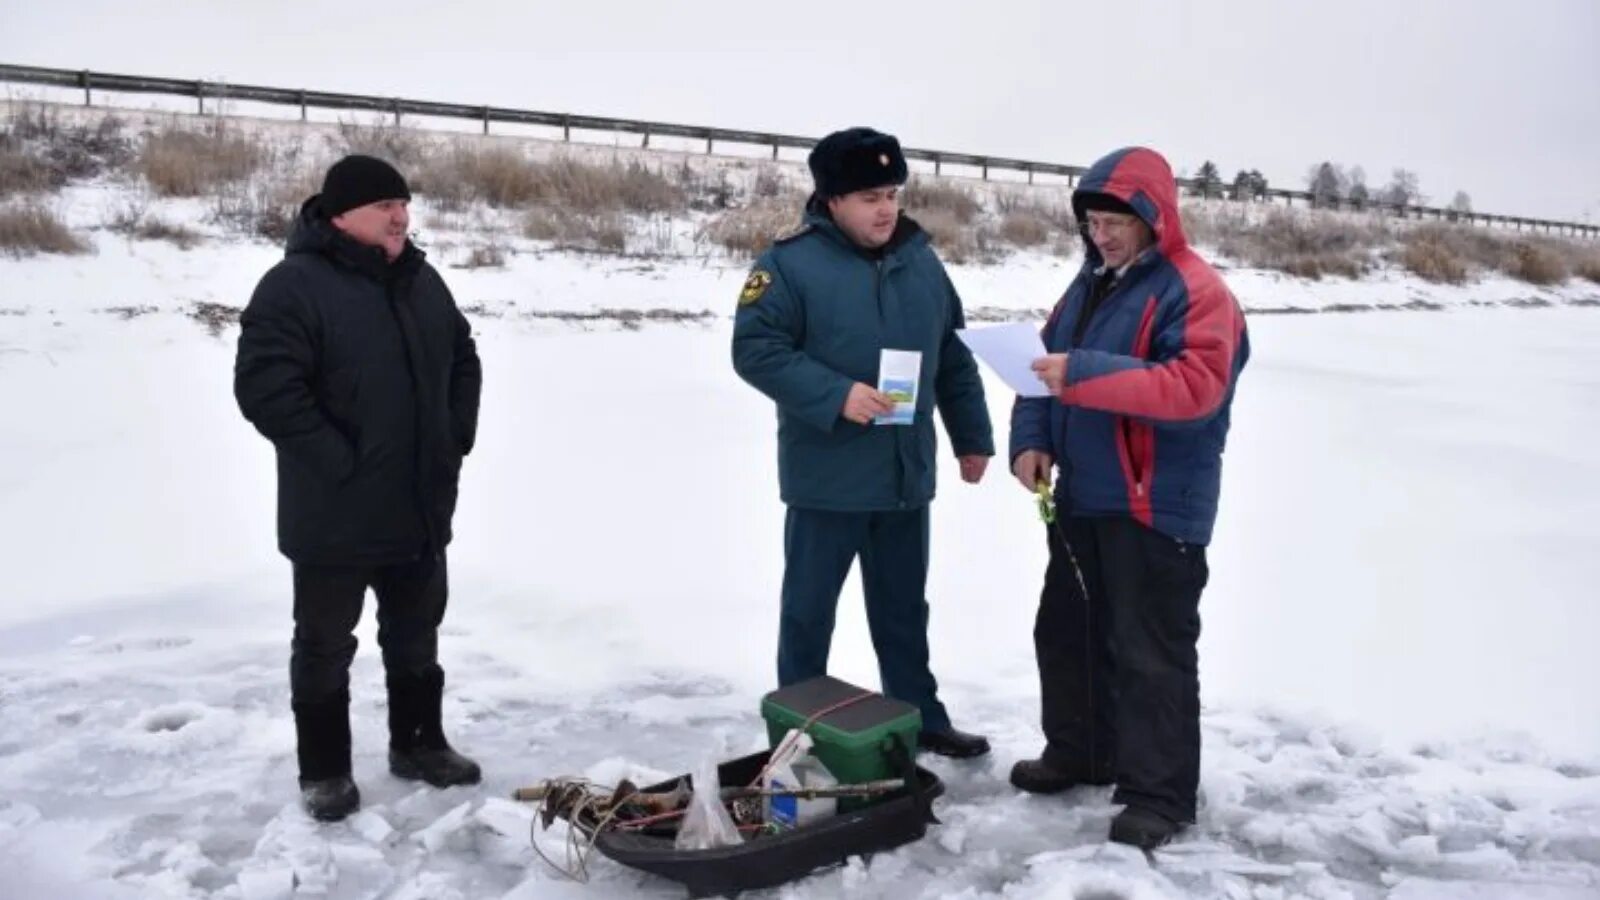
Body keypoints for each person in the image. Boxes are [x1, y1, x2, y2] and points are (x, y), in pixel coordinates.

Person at [1009, 146, 1249, 848]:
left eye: (1116, 221)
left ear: (1154, 217)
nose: (1102, 235)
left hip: (1156, 506)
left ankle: (1159, 795)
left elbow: (1194, 388)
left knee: (1151, 653)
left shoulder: (1197, 290)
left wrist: (1081, 373)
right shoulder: (1087, 286)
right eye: (1093, 222)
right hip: (1084, 498)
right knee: (1067, 632)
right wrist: (1032, 440)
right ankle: (1083, 751)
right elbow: (1038, 373)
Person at [235, 155, 484, 822]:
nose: (401, 216)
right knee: (323, 647)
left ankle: (420, 746)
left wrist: (454, 434)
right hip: (334, 514)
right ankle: (324, 771)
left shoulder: (421, 280)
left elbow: (463, 356)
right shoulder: (292, 286)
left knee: (416, 636)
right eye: (384, 206)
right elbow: (265, 388)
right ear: (340, 213)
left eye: (404, 204)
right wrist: (339, 461)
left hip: (419, 505)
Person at [732, 127, 995, 758]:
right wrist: (835, 395)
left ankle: (920, 715)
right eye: (869, 196)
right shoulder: (786, 266)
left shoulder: (922, 263)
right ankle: (798, 732)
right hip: (829, 479)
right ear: (830, 200)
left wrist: (973, 436)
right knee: (808, 615)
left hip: (905, 477)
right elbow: (755, 351)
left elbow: (953, 359)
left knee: (905, 611)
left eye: (892, 193)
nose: (885, 209)